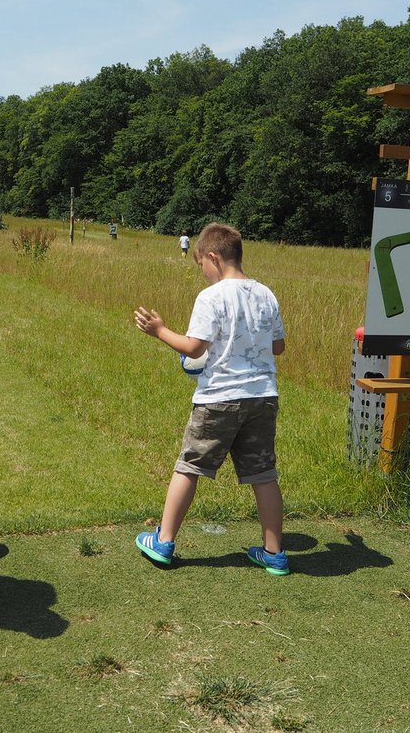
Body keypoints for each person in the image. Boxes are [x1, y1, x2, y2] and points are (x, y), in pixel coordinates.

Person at [133, 222, 288, 575]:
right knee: (263, 473)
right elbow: (278, 346)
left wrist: (159, 331)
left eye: (201, 262)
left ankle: (164, 541)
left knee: (190, 466)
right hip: (263, 397)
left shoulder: (211, 297)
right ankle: (274, 553)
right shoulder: (266, 294)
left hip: (218, 398)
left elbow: (194, 347)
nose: (201, 270)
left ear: (214, 257)